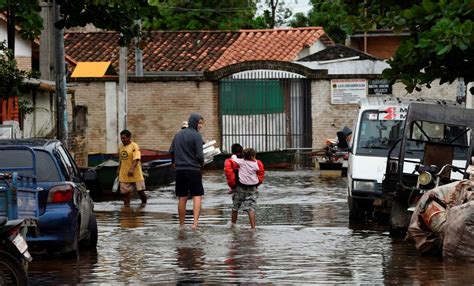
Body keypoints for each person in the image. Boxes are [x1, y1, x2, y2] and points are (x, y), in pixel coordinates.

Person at [169, 113, 205, 229]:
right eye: (199, 123)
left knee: (182, 197)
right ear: (194, 122)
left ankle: (182, 225)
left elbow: (172, 152)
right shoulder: (197, 136)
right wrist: (202, 162)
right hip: (193, 169)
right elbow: (199, 155)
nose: (200, 126)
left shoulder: (177, 135)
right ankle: (195, 223)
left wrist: (174, 163)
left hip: (180, 171)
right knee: (197, 196)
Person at [230, 148, 265, 229]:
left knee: (235, 207)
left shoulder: (241, 162)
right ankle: (253, 227)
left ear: (244, 156)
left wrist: (234, 155)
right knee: (251, 208)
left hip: (240, 187)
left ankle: (233, 225)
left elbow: (233, 159)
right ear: (254, 156)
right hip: (252, 187)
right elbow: (259, 171)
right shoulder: (256, 163)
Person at [117, 129, 147, 207]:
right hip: (124, 174)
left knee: (141, 192)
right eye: (121, 138)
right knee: (125, 194)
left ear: (129, 137)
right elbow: (121, 159)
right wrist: (118, 169)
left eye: (124, 138)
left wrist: (132, 169)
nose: (122, 140)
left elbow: (136, 159)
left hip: (135, 173)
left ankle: (144, 205)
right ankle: (127, 209)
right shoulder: (120, 146)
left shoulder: (134, 146)